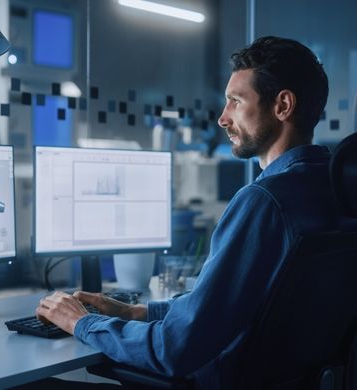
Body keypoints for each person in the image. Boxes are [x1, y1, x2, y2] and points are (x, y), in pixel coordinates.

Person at [30, 36, 338, 389]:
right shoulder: (332, 188)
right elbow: (227, 309)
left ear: (282, 105)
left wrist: (81, 322)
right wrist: (136, 311)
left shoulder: (264, 201)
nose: (223, 118)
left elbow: (175, 350)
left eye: (236, 102)